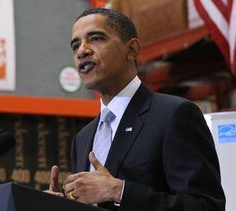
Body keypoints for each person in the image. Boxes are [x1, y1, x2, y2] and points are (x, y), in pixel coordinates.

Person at [46, 8, 225, 211]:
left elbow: (206, 206)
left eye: (96, 38)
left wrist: (119, 191)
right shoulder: (83, 138)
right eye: (75, 45)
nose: (82, 51)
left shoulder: (174, 115)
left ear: (131, 49)